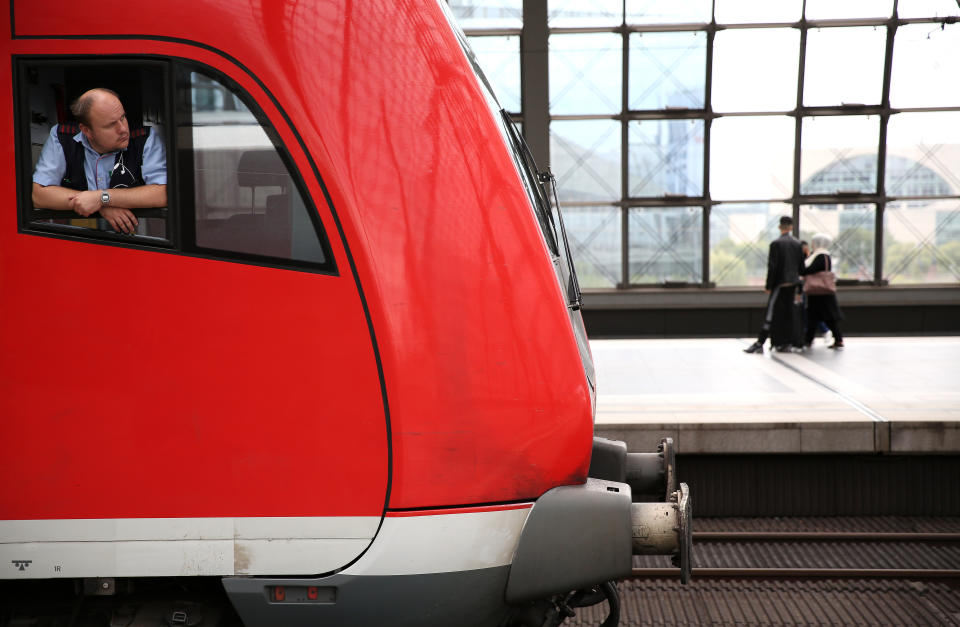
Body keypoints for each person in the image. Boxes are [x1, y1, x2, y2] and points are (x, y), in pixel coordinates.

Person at [32, 87, 166, 234]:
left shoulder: (145, 138)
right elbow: (39, 195)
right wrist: (101, 206)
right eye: (111, 125)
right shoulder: (62, 136)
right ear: (86, 131)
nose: (123, 129)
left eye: (122, 117)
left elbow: (162, 193)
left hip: (137, 241)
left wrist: (101, 198)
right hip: (76, 239)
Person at [744, 216, 804, 353]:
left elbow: (773, 267)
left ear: (779, 227)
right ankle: (786, 341)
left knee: (771, 313)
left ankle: (761, 341)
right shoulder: (797, 244)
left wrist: (768, 286)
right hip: (793, 285)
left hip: (780, 284)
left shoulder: (776, 244)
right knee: (789, 314)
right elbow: (801, 268)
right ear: (791, 227)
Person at [801, 233, 844, 349]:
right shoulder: (823, 255)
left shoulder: (820, 255)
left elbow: (807, 270)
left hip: (819, 292)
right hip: (822, 293)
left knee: (815, 317)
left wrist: (804, 260)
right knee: (820, 317)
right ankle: (836, 339)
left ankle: (808, 340)